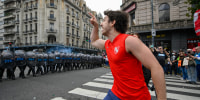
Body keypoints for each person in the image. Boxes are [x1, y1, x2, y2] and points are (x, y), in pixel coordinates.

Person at [89, 10, 166, 100]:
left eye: (104, 20)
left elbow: (156, 68)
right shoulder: (108, 44)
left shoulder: (129, 41)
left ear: (113, 22)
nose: (101, 24)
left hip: (136, 97)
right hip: (115, 94)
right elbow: (94, 41)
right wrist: (95, 26)